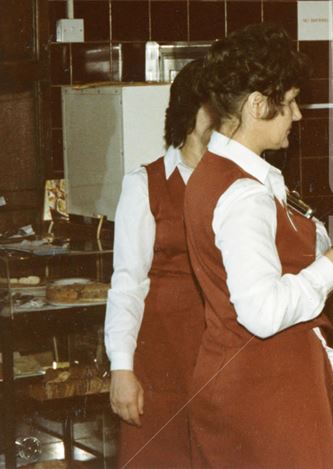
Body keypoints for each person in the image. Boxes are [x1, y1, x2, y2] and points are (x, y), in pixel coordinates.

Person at [183, 23, 333, 468]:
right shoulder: (244, 193)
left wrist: (332, 263)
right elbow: (263, 311)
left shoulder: (221, 172)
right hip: (265, 398)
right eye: (291, 102)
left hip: (241, 388)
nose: (297, 115)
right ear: (258, 105)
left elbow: (263, 263)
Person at [105, 58, 212, 468]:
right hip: (162, 361)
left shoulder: (245, 183)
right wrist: (122, 369)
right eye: (214, 105)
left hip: (223, 357)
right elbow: (127, 283)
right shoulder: (144, 184)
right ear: (188, 110)